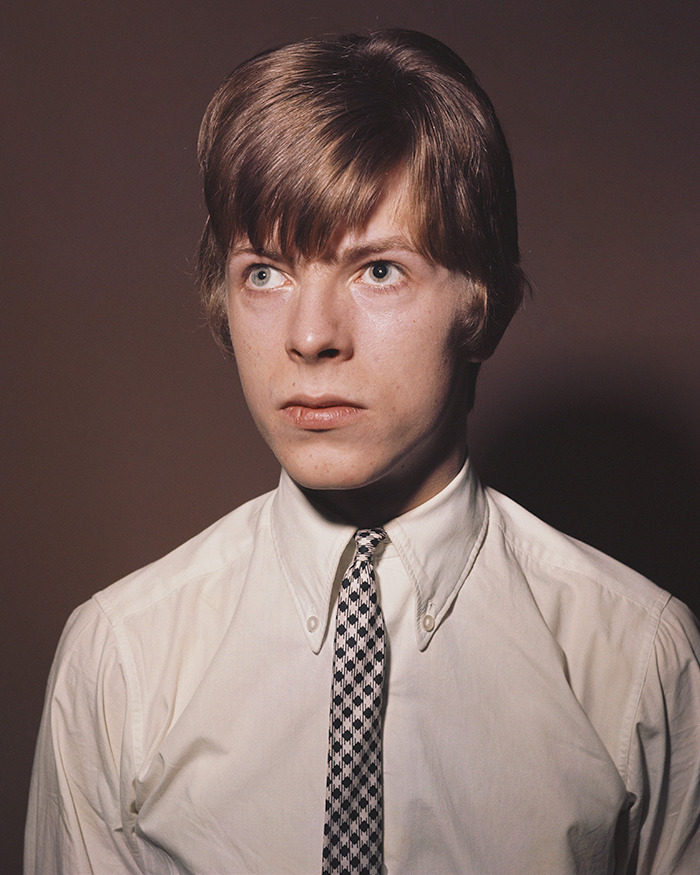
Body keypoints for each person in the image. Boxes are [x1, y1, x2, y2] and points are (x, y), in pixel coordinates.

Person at [25, 29, 700, 874]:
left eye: (378, 270)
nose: (308, 336)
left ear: (481, 303)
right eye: (265, 272)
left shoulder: (639, 659)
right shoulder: (120, 657)